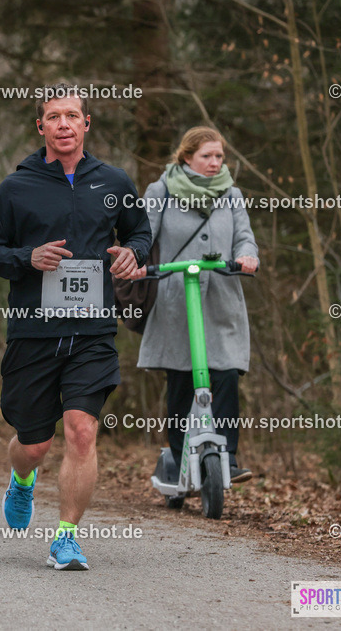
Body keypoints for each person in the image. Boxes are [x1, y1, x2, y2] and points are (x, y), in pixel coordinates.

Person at [0, 83, 151, 570]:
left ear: (86, 124)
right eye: (54, 117)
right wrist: (27, 258)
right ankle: (23, 479)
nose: (64, 124)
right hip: (34, 330)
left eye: (73, 115)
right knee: (34, 443)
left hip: (93, 329)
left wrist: (133, 251)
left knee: (80, 432)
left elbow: (138, 230)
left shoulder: (114, 181)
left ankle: (67, 536)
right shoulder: (16, 188)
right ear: (41, 127)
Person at [134, 127, 259, 483]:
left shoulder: (231, 194)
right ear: (186, 156)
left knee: (225, 374)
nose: (215, 163)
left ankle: (228, 458)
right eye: (207, 156)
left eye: (219, 156)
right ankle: (178, 457)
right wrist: (137, 260)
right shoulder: (161, 191)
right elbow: (144, 235)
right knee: (181, 380)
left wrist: (247, 257)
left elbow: (244, 238)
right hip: (177, 297)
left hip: (221, 298)